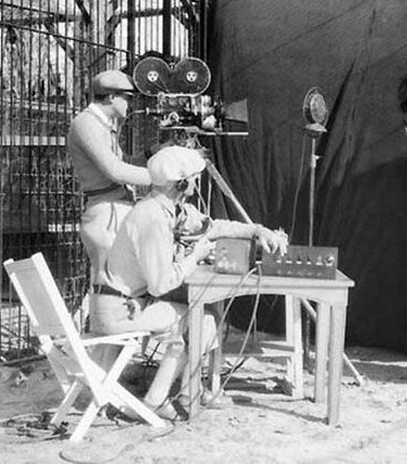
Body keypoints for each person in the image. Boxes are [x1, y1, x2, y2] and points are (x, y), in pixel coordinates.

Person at [90, 145, 288, 419]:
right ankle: (160, 399)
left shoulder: (170, 210)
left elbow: (214, 226)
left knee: (205, 318)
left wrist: (257, 231)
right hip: (117, 311)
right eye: (194, 178)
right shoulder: (151, 218)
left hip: (128, 304)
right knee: (202, 321)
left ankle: (185, 391)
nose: (196, 182)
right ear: (180, 183)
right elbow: (160, 285)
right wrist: (195, 256)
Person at [67, 69, 153, 286]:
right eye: (128, 98)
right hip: (105, 214)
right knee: (110, 289)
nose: (130, 104)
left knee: (122, 287)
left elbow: (124, 164)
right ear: (112, 96)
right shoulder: (86, 123)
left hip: (116, 209)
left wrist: (152, 153)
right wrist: (161, 176)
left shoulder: (102, 124)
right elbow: (114, 171)